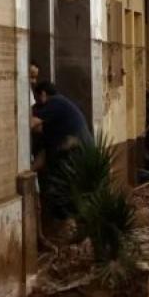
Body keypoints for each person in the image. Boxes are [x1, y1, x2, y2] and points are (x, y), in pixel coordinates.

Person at [31, 81, 93, 222]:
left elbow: (30, 122)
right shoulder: (53, 126)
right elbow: (43, 156)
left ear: (43, 94)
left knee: (66, 191)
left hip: (78, 154)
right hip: (80, 153)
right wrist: (29, 170)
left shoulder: (55, 102)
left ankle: (71, 225)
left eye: (36, 99)